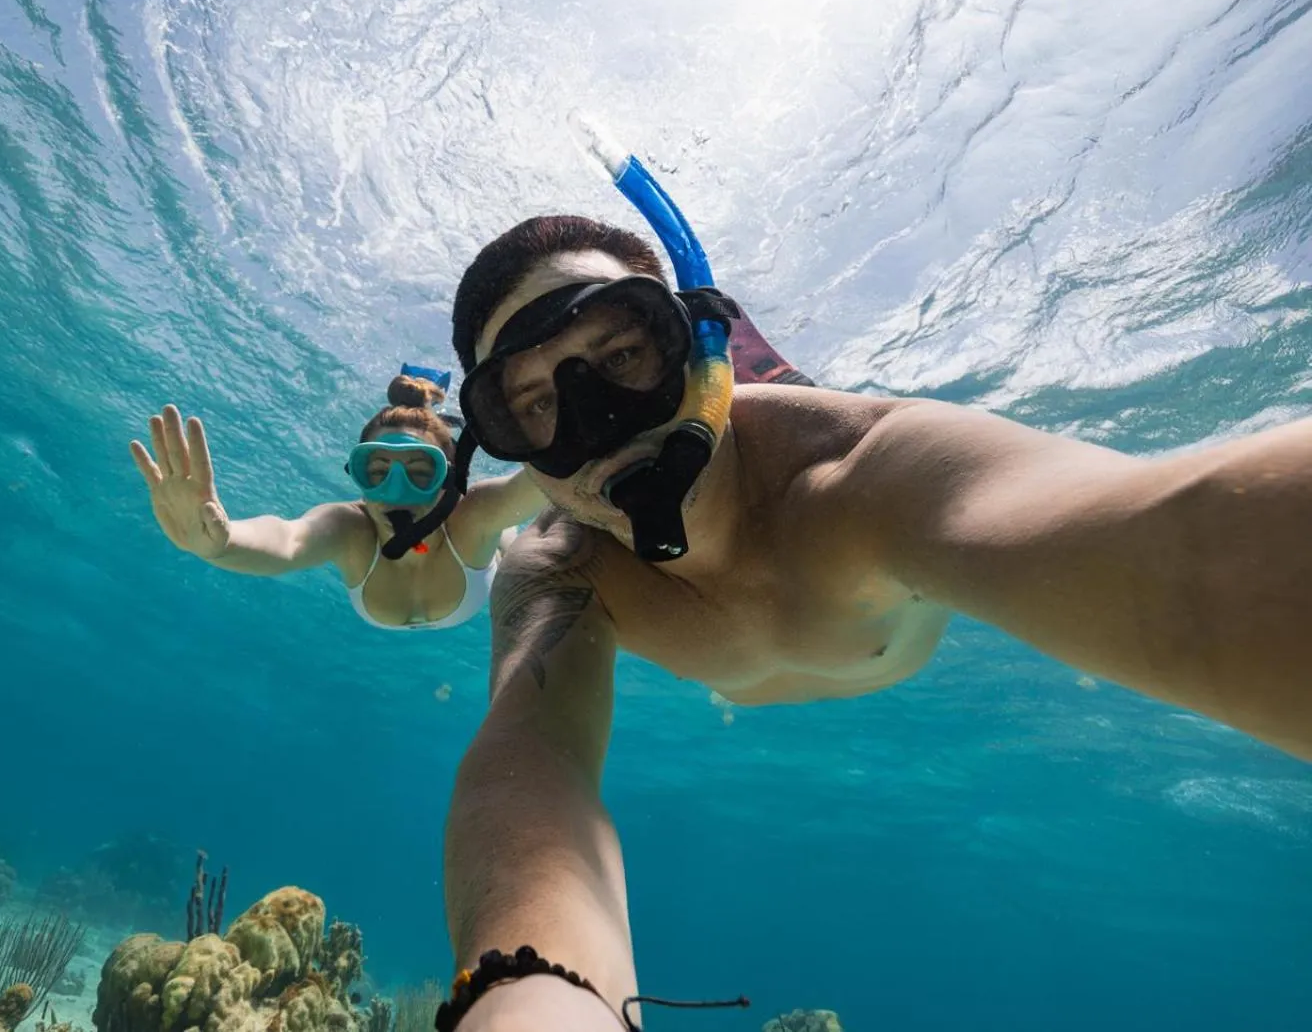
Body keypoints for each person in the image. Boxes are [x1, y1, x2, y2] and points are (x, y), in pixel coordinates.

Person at [427, 214, 1312, 1031]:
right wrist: (536, 996)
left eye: (623, 352)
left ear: (693, 344)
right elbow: (529, 768)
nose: (600, 426)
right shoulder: (562, 567)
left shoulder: (865, 479)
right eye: (533, 405)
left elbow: (1154, 536)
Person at [129, 369, 545, 631]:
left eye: (420, 472)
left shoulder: (471, 513)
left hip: (481, 543)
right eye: (377, 472)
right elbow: (289, 539)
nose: (396, 491)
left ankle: (513, 543)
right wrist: (223, 543)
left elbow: (538, 481)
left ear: (447, 480)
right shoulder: (350, 529)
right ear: (357, 478)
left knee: (515, 538)